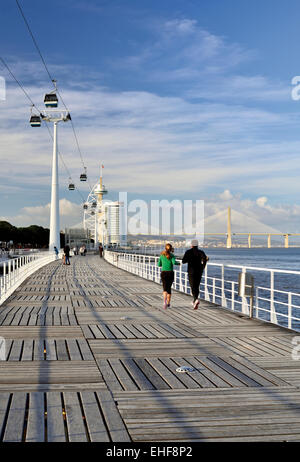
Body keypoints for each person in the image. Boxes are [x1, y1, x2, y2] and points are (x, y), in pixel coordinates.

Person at [182, 239, 209, 310]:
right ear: (197, 245)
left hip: (191, 271)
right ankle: (195, 300)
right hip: (199, 271)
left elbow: (183, 261)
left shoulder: (188, 252)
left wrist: (189, 259)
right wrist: (203, 267)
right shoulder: (201, 252)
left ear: (191, 245)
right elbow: (205, 259)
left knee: (192, 286)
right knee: (197, 286)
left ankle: (195, 299)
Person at [157, 243, 180, 309]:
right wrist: (178, 263)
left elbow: (159, 265)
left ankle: (164, 302)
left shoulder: (162, 255)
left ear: (165, 248)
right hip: (170, 273)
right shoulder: (172, 255)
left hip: (163, 273)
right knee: (169, 288)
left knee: (164, 288)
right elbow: (174, 263)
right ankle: (168, 303)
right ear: (170, 249)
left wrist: (164, 264)